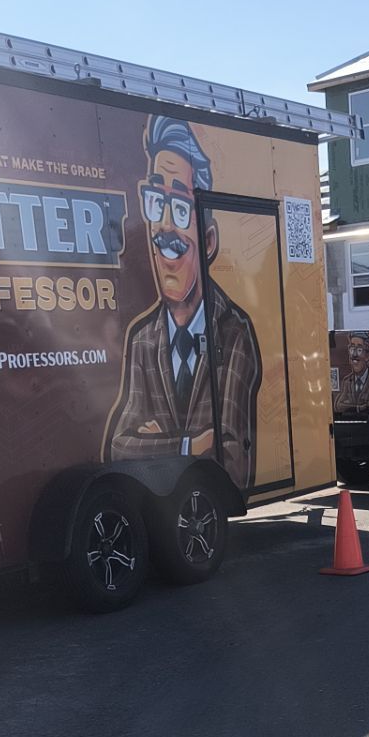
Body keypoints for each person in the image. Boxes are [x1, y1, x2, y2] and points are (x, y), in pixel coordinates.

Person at [104, 116, 262, 492]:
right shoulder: (143, 340)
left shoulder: (234, 333)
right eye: (156, 202)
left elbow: (232, 462)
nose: (163, 228)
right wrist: (190, 443)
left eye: (178, 207)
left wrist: (153, 442)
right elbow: (120, 445)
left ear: (207, 242)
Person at [334, 332, 369, 414]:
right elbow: (338, 405)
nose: (354, 355)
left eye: (359, 350)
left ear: (367, 356)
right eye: (352, 350)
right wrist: (358, 408)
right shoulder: (347, 381)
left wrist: (348, 406)